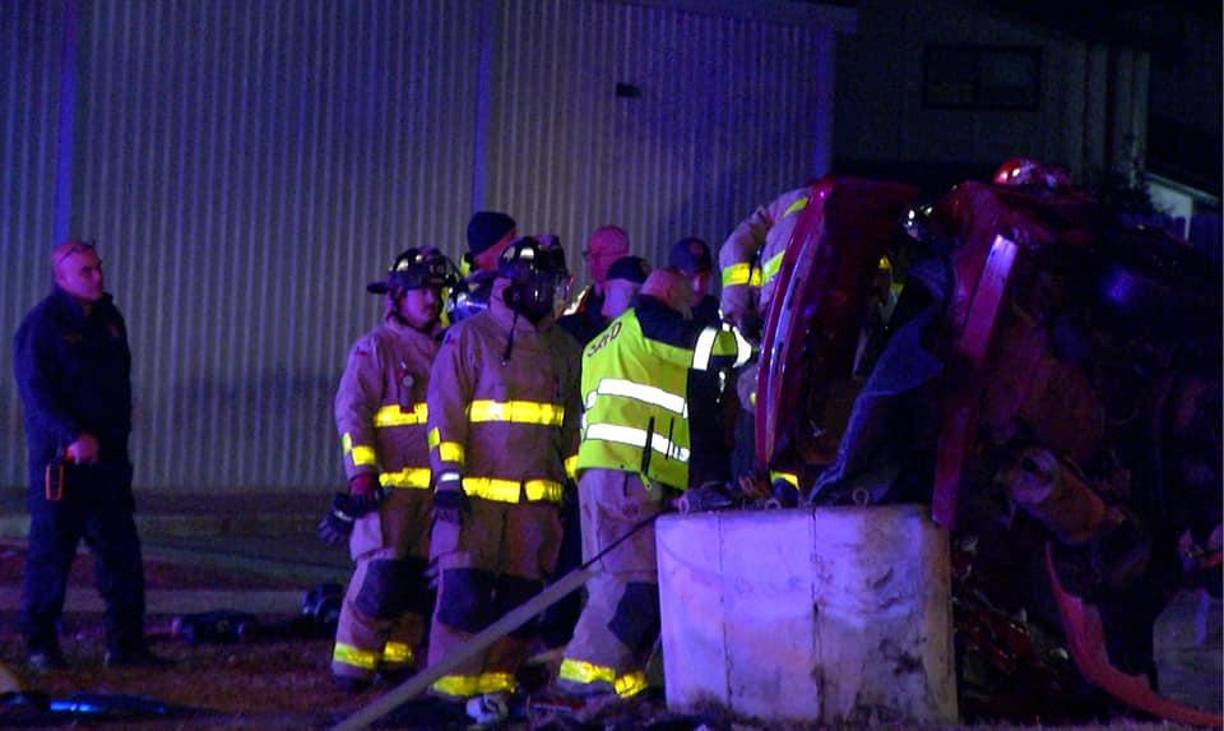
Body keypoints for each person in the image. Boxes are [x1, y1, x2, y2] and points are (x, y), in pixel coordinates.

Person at [557, 267, 751, 702]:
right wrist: (748, 337)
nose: (689, 311)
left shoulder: (606, 338)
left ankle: (623, 679)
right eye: (686, 302)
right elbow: (708, 350)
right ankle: (582, 678)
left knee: (614, 578)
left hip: (604, 476)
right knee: (633, 581)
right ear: (666, 291)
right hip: (628, 477)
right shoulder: (651, 319)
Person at [425, 237, 582, 721]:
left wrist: (578, 488)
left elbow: (572, 426)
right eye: (548, 285)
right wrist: (448, 480)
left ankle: (493, 694)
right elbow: (444, 413)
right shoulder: (469, 338)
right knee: (464, 600)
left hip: (536, 508)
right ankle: (448, 697)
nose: (556, 295)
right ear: (517, 289)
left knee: (519, 605)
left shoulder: (565, 349)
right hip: (474, 503)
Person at [12, 239, 167, 672]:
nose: (97, 277)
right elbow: (36, 395)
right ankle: (40, 644)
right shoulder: (43, 326)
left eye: (98, 268)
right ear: (61, 278)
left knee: (121, 554)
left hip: (108, 463)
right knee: (51, 556)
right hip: (62, 465)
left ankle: (126, 644)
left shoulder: (108, 320)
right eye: (86, 272)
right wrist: (71, 435)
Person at [318, 247, 457, 690]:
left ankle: (395, 659)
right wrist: (361, 474)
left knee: (417, 584)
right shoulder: (375, 349)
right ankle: (352, 667)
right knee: (381, 577)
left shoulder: (450, 349)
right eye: (421, 290)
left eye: (436, 290)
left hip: (435, 494)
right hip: (388, 493)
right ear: (397, 296)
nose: (431, 299)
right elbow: (351, 415)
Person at [668, 237, 732, 485]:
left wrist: (728, 423)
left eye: (703, 277)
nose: (697, 285)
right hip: (672, 428)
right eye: (689, 276)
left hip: (709, 426)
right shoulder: (663, 314)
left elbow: (733, 370)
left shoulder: (718, 313)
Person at [718, 186, 811, 339]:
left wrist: (736, 312)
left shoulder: (791, 208)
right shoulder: (782, 212)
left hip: (779, 312)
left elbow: (735, 248)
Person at [557, 255, 650, 345]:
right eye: (633, 292)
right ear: (608, 291)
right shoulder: (570, 330)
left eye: (646, 295)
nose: (639, 301)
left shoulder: (647, 339)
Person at [449, 211, 518, 323]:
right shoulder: (465, 290)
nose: (516, 245)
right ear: (491, 247)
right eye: (511, 240)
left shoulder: (514, 279)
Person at [560, 226, 631, 334]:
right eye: (590, 254)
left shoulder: (634, 298)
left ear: (622, 256)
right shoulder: (586, 296)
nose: (593, 261)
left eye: (599, 254)